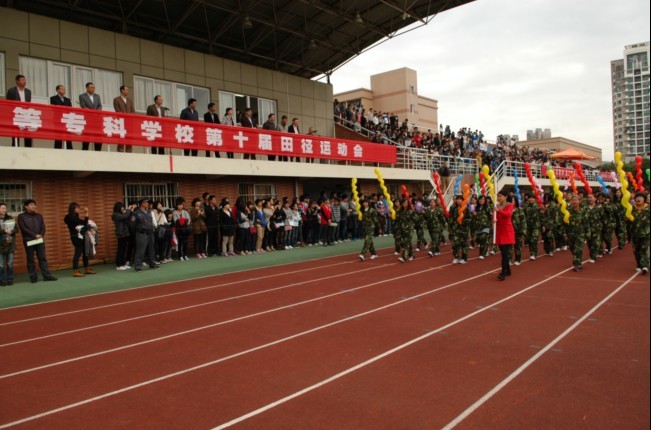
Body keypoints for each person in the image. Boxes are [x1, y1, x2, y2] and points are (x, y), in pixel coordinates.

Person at [17, 199, 57, 283]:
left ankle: (47, 276)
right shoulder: (21, 216)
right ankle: (33, 277)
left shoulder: (39, 216)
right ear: (26, 206)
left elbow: (43, 227)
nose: (33, 206)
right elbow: (23, 228)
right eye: (31, 205)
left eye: (34, 205)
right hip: (29, 239)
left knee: (42, 258)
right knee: (30, 259)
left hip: (39, 239)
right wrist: (34, 235)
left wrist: (40, 235)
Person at [64, 202, 96, 277]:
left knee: (85, 252)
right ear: (73, 209)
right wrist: (86, 213)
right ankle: (75, 270)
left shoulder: (74, 216)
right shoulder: (70, 217)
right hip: (76, 237)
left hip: (81, 236)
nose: (79, 209)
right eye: (77, 208)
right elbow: (84, 223)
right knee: (78, 253)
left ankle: (87, 268)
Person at [131, 197, 159, 271]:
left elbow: (151, 221)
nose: (147, 204)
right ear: (142, 204)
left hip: (150, 233)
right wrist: (138, 231)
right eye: (146, 202)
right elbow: (132, 225)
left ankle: (152, 264)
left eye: (147, 202)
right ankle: (138, 266)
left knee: (151, 250)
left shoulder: (149, 212)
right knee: (140, 250)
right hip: (141, 233)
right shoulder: (136, 213)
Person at [6, 74, 33, 147]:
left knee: (28, 133)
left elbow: (29, 103)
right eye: (22, 80)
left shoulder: (28, 91)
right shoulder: (11, 91)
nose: (25, 81)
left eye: (25, 80)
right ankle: (15, 148)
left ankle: (28, 148)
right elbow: (8, 104)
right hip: (16, 115)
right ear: (17, 81)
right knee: (16, 134)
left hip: (26, 115)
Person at [495, 190, 515, 281]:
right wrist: (493, 219)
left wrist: (499, 211)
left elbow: (508, 214)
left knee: (505, 253)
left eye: (500, 196)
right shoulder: (496, 206)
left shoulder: (509, 205)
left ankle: (503, 272)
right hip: (500, 231)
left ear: (506, 197)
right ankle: (508, 270)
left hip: (507, 231)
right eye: (498, 196)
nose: (499, 198)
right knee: (503, 253)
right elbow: (495, 217)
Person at [79, 82, 103, 151]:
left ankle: (98, 151)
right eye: (91, 87)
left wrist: (97, 111)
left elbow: (99, 106)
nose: (93, 89)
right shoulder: (82, 96)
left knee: (98, 135)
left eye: (94, 88)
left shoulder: (97, 96)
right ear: (87, 88)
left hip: (97, 119)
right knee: (87, 135)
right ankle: (85, 151)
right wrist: (92, 112)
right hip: (88, 118)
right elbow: (83, 106)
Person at [448, 195, 471, 264]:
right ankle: (456, 257)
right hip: (455, 229)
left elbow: (470, 219)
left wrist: (463, 221)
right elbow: (450, 217)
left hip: (463, 229)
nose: (458, 200)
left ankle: (464, 258)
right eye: (457, 199)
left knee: (463, 244)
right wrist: (450, 226)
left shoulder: (465, 208)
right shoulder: (452, 208)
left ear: (462, 200)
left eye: (460, 199)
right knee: (455, 244)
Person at [0, 203, 19, 286]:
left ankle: (10, 279)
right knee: (1, 264)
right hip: (0, 244)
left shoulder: (10, 218)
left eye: (5, 208)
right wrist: (4, 231)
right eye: (2, 208)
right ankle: (1, 280)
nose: (4, 210)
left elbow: (16, 229)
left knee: (10, 263)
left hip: (10, 243)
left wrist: (11, 231)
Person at [567, 194, 587, 272]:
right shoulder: (568, 210)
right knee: (572, 248)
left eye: (576, 200)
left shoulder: (583, 210)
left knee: (577, 249)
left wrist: (587, 233)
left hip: (580, 233)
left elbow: (586, 222)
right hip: (571, 233)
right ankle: (579, 261)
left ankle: (576, 265)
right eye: (573, 200)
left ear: (579, 201)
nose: (574, 202)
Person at [631, 192, 649, 274]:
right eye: (637, 197)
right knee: (636, 250)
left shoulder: (648, 209)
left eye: (641, 197)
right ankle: (639, 264)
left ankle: (644, 266)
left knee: (644, 249)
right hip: (634, 233)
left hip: (646, 233)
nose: (639, 199)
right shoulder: (632, 209)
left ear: (644, 199)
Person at [113, 85, 135, 152]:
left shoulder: (130, 100)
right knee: (121, 137)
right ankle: (120, 152)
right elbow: (117, 110)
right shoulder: (116, 99)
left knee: (129, 137)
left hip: (129, 122)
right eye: (126, 90)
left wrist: (129, 116)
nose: (127, 91)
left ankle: (129, 152)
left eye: (128, 90)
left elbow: (133, 111)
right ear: (122, 90)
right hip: (121, 121)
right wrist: (124, 116)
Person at [112, 202, 134, 270]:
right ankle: (119, 265)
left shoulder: (122, 214)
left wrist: (130, 212)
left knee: (124, 249)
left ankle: (123, 263)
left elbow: (127, 218)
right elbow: (124, 217)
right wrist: (128, 210)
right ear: (118, 208)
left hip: (125, 233)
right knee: (120, 249)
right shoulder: (115, 215)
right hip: (121, 234)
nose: (123, 208)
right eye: (122, 207)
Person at [50, 84, 73, 149]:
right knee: (58, 135)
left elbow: (70, 109)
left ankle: (69, 149)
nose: (64, 90)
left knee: (68, 135)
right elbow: (54, 108)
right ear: (58, 90)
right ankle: (57, 149)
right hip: (58, 119)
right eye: (62, 89)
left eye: (64, 89)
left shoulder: (67, 100)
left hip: (67, 119)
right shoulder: (53, 98)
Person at [584, 193, 603, 264]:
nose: (590, 199)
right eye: (588, 197)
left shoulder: (599, 207)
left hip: (597, 228)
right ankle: (594, 254)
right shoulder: (585, 208)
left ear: (595, 199)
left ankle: (593, 256)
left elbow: (603, 217)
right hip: (588, 229)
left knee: (595, 243)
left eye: (591, 197)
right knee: (589, 243)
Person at [394, 199, 414, 263]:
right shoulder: (400, 211)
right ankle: (411, 255)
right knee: (407, 243)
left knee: (406, 242)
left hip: (409, 229)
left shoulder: (410, 211)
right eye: (403, 203)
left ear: (408, 204)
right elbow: (397, 219)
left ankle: (404, 257)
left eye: (405, 203)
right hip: (402, 229)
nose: (404, 204)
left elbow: (416, 219)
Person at [523, 194, 542, 260]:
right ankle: (532, 253)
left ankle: (534, 254)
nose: (531, 199)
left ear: (535, 199)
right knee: (530, 240)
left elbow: (541, 217)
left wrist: (543, 225)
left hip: (536, 226)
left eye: (532, 198)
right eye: (530, 198)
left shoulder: (538, 207)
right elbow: (523, 216)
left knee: (534, 239)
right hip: (528, 226)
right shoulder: (525, 207)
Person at [512, 198, 527, 266]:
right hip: (509, 230)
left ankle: (518, 259)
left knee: (518, 245)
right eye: (511, 200)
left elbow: (523, 221)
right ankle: (509, 259)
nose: (512, 202)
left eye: (513, 200)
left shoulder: (519, 210)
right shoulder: (507, 209)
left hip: (518, 230)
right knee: (509, 246)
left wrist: (523, 230)